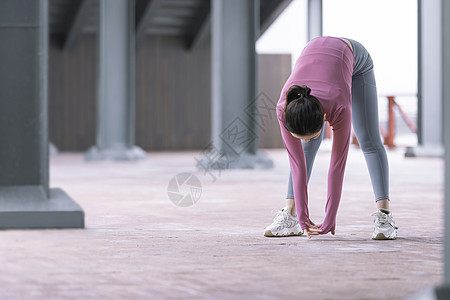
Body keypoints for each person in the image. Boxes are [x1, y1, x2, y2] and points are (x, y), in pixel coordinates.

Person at [264, 36, 397, 240]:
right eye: (300, 137)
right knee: (305, 151)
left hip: (355, 57)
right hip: (317, 54)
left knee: (368, 140)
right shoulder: (284, 108)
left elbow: (337, 164)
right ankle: (290, 215)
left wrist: (330, 218)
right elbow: (297, 164)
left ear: (325, 118)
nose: (305, 140)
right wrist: (303, 217)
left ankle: (384, 215)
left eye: (312, 135)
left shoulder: (339, 106)